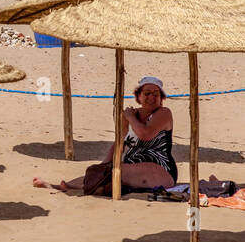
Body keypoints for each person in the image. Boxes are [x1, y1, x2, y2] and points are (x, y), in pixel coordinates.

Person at [35, 76, 176, 194]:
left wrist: (130, 118)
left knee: (118, 171)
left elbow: (146, 134)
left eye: (156, 94)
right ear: (138, 96)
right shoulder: (131, 115)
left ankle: (78, 187)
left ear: (161, 98)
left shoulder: (163, 114)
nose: (151, 97)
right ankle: (62, 186)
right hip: (130, 165)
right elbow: (120, 142)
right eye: (147, 94)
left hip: (160, 169)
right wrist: (104, 164)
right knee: (102, 171)